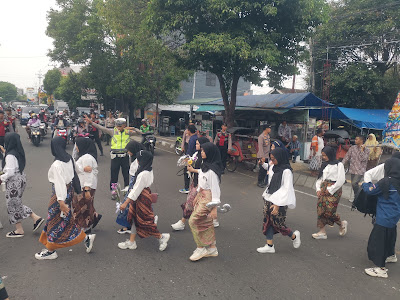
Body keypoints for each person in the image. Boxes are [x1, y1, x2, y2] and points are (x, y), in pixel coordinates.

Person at [35, 137, 96, 260]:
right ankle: (85, 237)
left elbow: (59, 184)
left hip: (59, 195)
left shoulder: (57, 164)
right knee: (65, 220)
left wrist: (61, 202)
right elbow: (77, 170)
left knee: (54, 219)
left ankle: (51, 250)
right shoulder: (69, 158)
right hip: (68, 192)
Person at [117, 150, 170, 251]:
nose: (137, 160)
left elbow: (136, 190)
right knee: (135, 219)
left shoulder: (143, 174)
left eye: (138, 159)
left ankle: (161, 237)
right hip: (143, 196)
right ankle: (132, 242)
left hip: (141, 198)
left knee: (144, 222)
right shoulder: (148, 169)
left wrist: (125, 203)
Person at [257, 148, 301, 253]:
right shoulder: (273, 166)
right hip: (269, 197)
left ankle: (294, 236)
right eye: (271, 158)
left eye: (274, 159)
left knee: (278, 224)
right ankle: (269, 245)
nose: (272, 161)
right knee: (267, 221)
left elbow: (286, 189)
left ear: (280, 158)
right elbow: (269, 169)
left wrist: (277, 204)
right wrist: (263, 164)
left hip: (280, 201)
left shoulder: (286, 172)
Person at [362, 158, 400, 278]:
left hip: (383, 217)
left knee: (378, 243)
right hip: (394, 217)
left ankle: (380, 269)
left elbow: (370, 190)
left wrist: (364, 184)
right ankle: (391, 255)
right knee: (390, 238)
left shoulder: (385, 182)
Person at [0, 133, 44, 238]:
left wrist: (1, 177)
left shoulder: (10, 155)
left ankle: (22, 227)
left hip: (13, 181)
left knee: (12, 204)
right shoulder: (17, 152)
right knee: (15, 203)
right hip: (20, 178)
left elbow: (10, 172)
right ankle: (32, 219)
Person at [85, 116, 140, 198]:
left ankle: (127, 190)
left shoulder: (128, 132)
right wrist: (91, 123)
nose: (118, 128)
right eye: (117, 126)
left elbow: (140, 133)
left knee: (126, 174)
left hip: (125, 156)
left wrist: (133, 128)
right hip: (115, 157)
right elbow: (102, 128)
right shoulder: (112, 132)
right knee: (114, 175)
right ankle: (113, 192)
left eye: (120, 126)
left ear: (124, 125)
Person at [187, 142, 223, 261]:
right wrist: (197, 194)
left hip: (208, 199)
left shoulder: (212, 171)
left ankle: (200, 247)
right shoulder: (205, 165)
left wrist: (214, 208)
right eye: (201, 150)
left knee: (193, 221)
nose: (201, 152)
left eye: (203, 151)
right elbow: (202, 177)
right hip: (201, 196)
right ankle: (212, 248)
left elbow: (215, 190)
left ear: (210, 153)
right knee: (206, 222)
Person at [172, 137, 210, 231]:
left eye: (197, 144)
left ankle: (182, 222)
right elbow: (193, 160)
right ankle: (208, 220)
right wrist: (188, 162)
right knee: (197, 203)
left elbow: (207, 171)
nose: (196, 145)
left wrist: (193, 170)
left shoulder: (207, 157)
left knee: (190, 202)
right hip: (195, 182)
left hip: (202, 185)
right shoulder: (197, 154)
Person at [312, 146, 348, 239]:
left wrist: (330, 189)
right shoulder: (324, 164)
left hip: (334, 189)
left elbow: (341, 180)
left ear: (330, 154)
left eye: (325, 155)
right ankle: (322, 232)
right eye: (323, 155)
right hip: (323, 187)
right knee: (321, 209)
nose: (324, 157)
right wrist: (318, 189)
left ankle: (341, 224)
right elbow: (320, 178)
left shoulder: (338, 165)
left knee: (330, 210)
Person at [116, 140, 145, 234]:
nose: (128, 152)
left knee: (128, 204)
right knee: (138, 205)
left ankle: (130, 225)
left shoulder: (139, 160)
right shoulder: (135, 157)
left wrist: (132, 187)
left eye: (129, 150)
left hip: (136, 182)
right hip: (134, 182)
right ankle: (134, 224)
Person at [73, 138, 101, 233]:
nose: (76, 147)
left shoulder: (87, 158)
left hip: (85, 186)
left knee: (82, 207)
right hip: (86, 185)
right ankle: (93, 218)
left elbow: (88, 174)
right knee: (86, 205)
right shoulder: (85, 156)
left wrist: (86, 189)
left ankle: (85, 228)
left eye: (76, 145)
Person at [342, 135, 370, 202]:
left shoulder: (367, 150)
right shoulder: (352, 148)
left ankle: (358, 197)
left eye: (357, 139)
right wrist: (341, 164)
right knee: (353, 184)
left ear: (361, 140)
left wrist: (362, 150)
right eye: (355, 139)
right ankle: (356, 197)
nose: (355, 141)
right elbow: (347, 157)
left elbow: (363, 159)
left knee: (354, 183)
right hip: (352, 169)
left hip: (360, 170)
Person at [179, 124, 197, 194]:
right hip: (195, 158)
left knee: (186, 172)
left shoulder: (192, 139)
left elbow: (190, 151)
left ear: (189, 131)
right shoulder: (195, 137)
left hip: (191, 159)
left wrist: (186, 159)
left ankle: (187, 188)